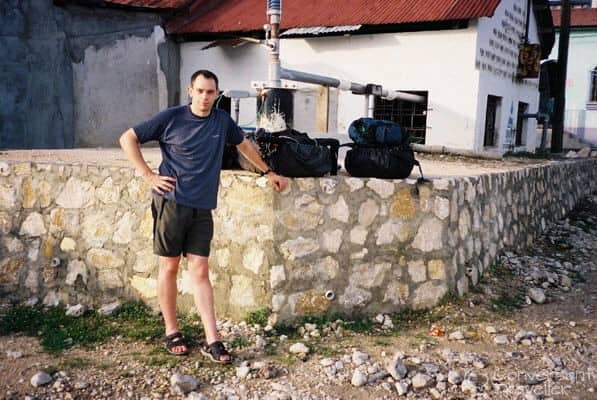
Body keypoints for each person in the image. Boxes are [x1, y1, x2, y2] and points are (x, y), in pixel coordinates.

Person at [119, 69, 288, 361]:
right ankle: (172, 331)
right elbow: (128, 138)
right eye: (200, 91)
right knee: (169, 268)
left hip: (202, 206)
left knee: (200, 270)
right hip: (171, 202)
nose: (205, 97)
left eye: (211, 92)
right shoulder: (171, 118)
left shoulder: (222, 120)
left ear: (217, 93)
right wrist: (148, 175)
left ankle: (213, 339)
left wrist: (267, 170)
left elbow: (244, 144)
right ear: (190, 91)